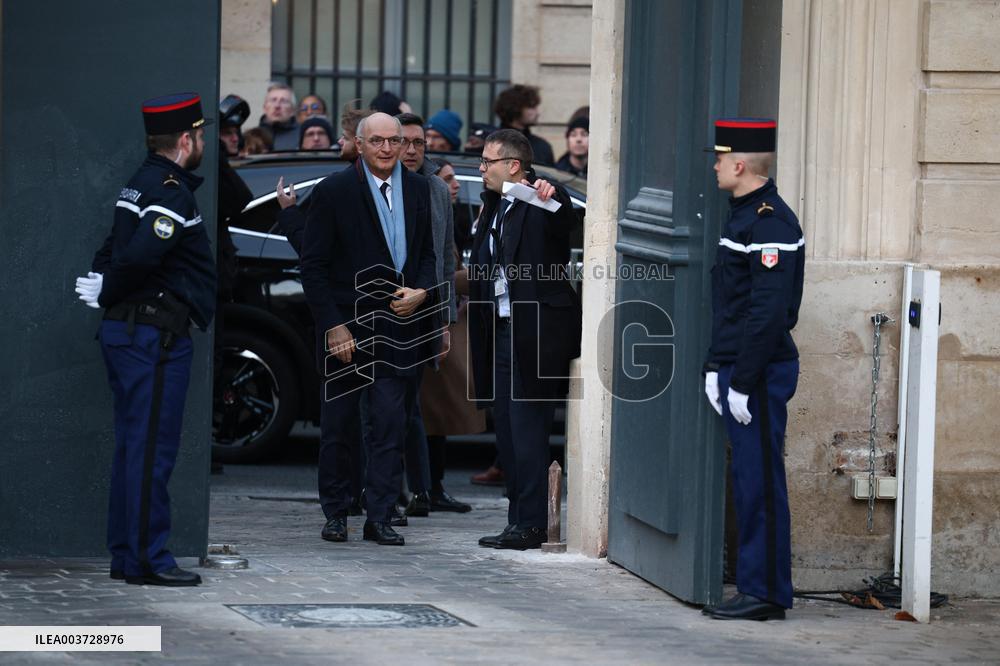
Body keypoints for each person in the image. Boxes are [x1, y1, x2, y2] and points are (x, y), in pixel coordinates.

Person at [74, 93, 216, 586]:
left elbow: (113, 246)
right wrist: (109, 285)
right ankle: (148, 560)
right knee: (151, 450)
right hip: (152, 337)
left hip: (131, 331)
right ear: (185, 140)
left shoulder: (139, 182)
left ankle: (126, 555)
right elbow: (137, 257)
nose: (203, 144)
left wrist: (102, 283)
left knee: (136, 447)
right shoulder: (171, 190)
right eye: (200, 137)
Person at [300, 112, 438, 547]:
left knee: (389, 424)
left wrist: (424, 291)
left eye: (393, 141)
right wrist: (333, 326)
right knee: (339, 425)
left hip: (400, 325)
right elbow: (313, 266)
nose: (386, 149)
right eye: (376, 141)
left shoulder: (419, 189)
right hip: (347, 327)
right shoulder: (334, 191)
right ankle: (337, 512)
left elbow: (429, 254)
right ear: (358, 145)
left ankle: (379, 516)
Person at [701, 118, 804, 621]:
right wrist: (713, 365)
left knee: (759, 482)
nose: (715, 165)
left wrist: (740, 380)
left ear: (740, 165)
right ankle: (756, 586)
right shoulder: (741, 214)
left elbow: (768, 313)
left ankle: (764, 594)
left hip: (758, 373)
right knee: (748, 480)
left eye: (720, 158)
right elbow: (732, 306)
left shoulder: (769, 222)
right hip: (739, 366)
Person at [468, 129, 581, 550]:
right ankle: (516, 519)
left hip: (535, 332)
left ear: (513, 165)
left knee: (530, 430)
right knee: (508, 433)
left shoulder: (540, 198)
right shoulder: (494, 205)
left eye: (487, 162)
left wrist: (552, 195)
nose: (481, 169)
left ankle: (532, 525)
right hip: (500, 328)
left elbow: (563, 219)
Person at [394, 114, 469, 516]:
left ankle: (420, 492)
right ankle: (391, 493)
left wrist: (443, 325)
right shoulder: (378, 184)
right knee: (389, 407)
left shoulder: (436, 189)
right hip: (382, 309)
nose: (409, 150)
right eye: (402, 141)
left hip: (425, 313)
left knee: (411, 406)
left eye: (417, 143)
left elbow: (444, 258)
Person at [493, 84, 555, 166]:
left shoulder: (542, 146)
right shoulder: (491, 143)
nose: (537, 113)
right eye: (531, 107)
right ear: (515, 108)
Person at [257, 82, 299, 151]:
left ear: (292, 110)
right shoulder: (253, 136)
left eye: (283, 101)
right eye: (273, 100)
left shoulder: (302, 136)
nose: (277, 106)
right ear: (264, 108)